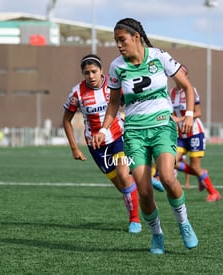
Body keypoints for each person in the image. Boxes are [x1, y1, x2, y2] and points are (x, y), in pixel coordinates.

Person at [92, 18, 198, 254]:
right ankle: (157, 235)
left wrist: (189, 115)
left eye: (122, 40)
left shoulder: (159, 56)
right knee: (144, 190)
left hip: (162, 127)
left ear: (136, 37)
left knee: (169, 178)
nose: (119, 45)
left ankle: (184, 223)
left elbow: (187, 87)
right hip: (135, 134)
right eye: (116, 41)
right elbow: (113, 103)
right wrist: (103, 129)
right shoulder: (116, 66)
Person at [63, 54, 142, 233]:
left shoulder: (114, 84)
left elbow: (132, 102)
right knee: (122, 186)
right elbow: (66, 120)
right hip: (96, 146)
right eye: (86, 73)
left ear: (101, 71)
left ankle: (135, 220)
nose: (90, 76)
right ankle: (144, 180)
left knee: (123, 174)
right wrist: (74, 148)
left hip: (118, 137)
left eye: (94, 71)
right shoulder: (77, 92)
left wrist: (128, 117)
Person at [170, 65, 222, 202]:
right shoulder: (172, 93)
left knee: (195, 166)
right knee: (172, 162)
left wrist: (181, 118)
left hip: (195, 133)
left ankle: (214, 192)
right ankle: (201, 175)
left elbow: (198, 112)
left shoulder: (191, 91)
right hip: (181, 135)